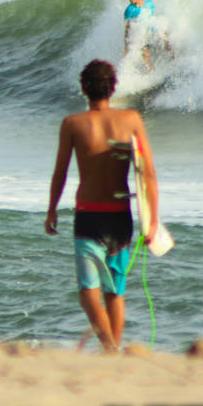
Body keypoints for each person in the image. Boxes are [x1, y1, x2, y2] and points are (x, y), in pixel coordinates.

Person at [44, 59, 159, 352]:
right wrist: (153, 221)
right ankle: (113, 352)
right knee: (114, 292)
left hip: (88, 217)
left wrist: (52, 209)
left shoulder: (72, 124)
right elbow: (147, 172)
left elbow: (60, 172)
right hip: (121, 217)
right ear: (113, 87)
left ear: (84, 89)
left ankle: (109, 348)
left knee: (87, 293)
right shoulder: (131, 119)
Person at [122, 0, 172, 70]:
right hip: (142, 34)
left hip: (152, 30)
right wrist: (126, 44)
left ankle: (173, 58)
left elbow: (153, 16)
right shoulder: (129, 10)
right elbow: (127, 28)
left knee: (164, 37)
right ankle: (152, 71)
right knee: (145, 54)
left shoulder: (149, 3)